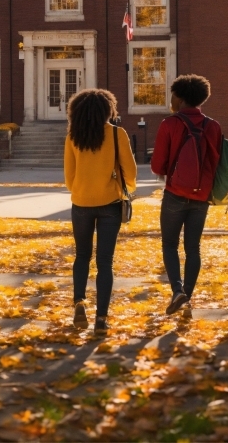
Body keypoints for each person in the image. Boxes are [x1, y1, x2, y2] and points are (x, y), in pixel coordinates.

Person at [64, 88, 137, 337]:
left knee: (82, 256)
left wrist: (81, 190)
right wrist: (126, 188)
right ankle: (101, 320)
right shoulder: (117, 134)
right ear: (109, 109)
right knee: (105, 262)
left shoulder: (73, 136)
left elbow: (68, 176)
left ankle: (79, 303)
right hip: (110, 203)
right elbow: (131, 171)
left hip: (81, 202)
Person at [151, 74, 222, 315]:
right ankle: (187, 298)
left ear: (179, 98)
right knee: (194, 248)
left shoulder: (170, 124)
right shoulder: (213, 126)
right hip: (202, 196)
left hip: (175, 194)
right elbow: (217, 161)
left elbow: (157, 166)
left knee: (170, 244)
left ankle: (177, 290)